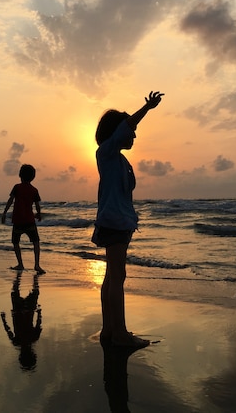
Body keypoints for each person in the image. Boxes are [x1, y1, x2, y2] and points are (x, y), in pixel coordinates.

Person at [92, 90, 163, 348]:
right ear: (116, 132)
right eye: (129, 130)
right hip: (114, 222)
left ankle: (109, 330)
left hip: (118, 222)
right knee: (116, 276)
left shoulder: (118, 159)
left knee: (112, 276)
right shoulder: (107, 153)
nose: (133, 134)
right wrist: (147, 109)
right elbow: (128, 125)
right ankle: (119, 333)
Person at [1, 164, 45, 274]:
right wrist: (39, 214)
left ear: (20, 175)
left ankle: (20, 264)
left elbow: (10, 201)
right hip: (29, 220)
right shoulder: (34, 190)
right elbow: (37, 205)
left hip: (18, 220)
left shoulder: (17, 187)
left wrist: (4, 213)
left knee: (16, 242)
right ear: (33, 177)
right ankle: (37, 265)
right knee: (36, 242)